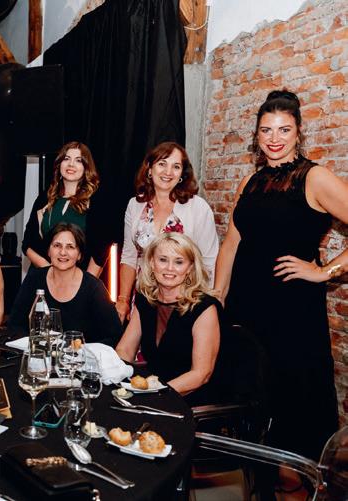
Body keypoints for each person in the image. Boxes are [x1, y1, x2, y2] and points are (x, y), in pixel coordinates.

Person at [214, 90, 348, 487]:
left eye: (284, 130)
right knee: (253, 419)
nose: (274, 138)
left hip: (292, 317)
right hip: (247, 313)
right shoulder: (251, 182)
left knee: (293, 428)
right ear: (256, 135)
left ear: (298, 132)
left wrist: (324, 272)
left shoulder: (314, 178)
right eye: (266, 130)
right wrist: (217, 297)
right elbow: (231, 244)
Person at [117, 142, 219, 321]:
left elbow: (209, 262)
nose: (168, 172)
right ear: (150, 169)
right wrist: (123, 300)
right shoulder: (135, 205)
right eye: (162, 164)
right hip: (144, 299)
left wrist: (204, 309)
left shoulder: (198, 207)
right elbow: (129, 256)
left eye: (176, 166)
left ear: (182, 174)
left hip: (186, 301)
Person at [115, 232, 220, 404]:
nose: (169, 268)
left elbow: (201, 374)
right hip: (151, 394)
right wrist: (116, 378)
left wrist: (157, 393)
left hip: (190, 400)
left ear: (190, 268)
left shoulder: (204, 307)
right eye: (163, 260)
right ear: (152, 263)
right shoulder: (145, 300)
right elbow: (125, 350)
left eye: (179, 262)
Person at [9, 223, 121, 345]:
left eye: (70, 247)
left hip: (80, 355)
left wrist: (82, 351)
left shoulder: (93, 287)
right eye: (57, 245)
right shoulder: (34, 279)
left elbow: (114, 336)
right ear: (48, 251)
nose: (63, 252)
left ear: (79, 255)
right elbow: (15, 325)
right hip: (39, 353)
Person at [22, 141, 107, 277]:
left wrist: (85, 284)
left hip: (79, 280)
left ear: (86, 168)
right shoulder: (45, 198)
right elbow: (27, 244)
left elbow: (99, 252)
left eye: (78, 160)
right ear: (59, 164)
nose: (71, 164)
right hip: (42, 277)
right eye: (66, 159)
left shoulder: (96, 202)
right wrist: (51, 273)